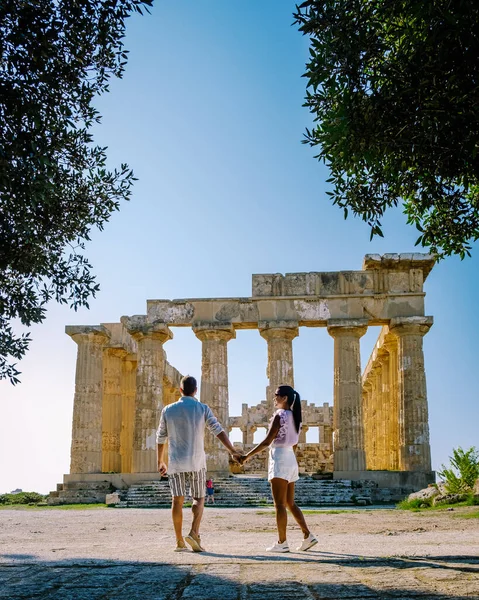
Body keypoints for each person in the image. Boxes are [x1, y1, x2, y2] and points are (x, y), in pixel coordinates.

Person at [157, 375, 241, 553]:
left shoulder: (168, 410)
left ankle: (179, 541)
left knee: (177, 500)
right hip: (196, 461)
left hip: (176, 462)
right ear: (196, 391)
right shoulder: (202, 408)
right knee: (199, 497)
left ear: (180, 390)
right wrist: (232, 450)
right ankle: (194, 532)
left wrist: (161, 460)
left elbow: (160, 437)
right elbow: (218, 430)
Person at [239, 385, 318, 553]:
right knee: (290, 502)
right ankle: (307, 535)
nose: (274, 398)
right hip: (290, 457)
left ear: (285, 398)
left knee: (280, 504)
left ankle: (282, 542)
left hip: (280, 457)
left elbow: (267, 441)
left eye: (276, 396)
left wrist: (246, 456)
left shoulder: (280, 415)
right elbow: (295, 443)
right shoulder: (296, 418)